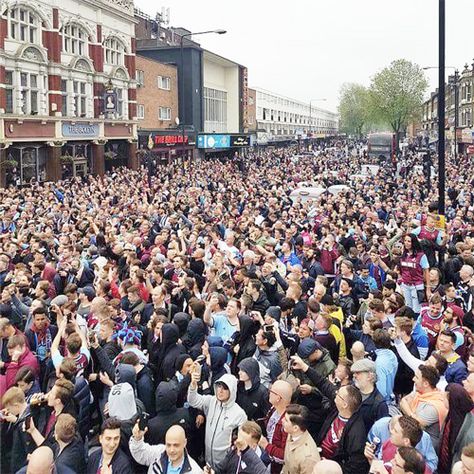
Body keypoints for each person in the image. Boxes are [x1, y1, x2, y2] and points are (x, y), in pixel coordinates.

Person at [290, 354, 369, 474]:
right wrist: (304, 366)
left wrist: (330, 467)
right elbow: (323, 384)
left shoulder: (356, 433)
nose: (335, 394)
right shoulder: (338, 408)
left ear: (345, 405)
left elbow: (356, 466)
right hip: (318, 451)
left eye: (338, 395)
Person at [187, 367, 247, 468]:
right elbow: (193, 400)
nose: (220, 390)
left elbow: (242, 443)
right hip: (207, 461)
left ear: (232, 390)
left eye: (225, 388)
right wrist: (193, 385)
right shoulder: (211, 401)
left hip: (224, 464)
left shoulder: (239, 414)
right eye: (219, 386)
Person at [399, 365, 448, 450]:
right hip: (413, 436)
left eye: (417, 377)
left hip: (426, 445)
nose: (413, 379)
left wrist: (408, 410)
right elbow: (403, 401)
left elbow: (416, 423)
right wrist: (410, 411)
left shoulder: (435, 406)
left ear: (426, 384)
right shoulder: (420, 393)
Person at [130, 422, 202, 474]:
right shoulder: (159, 452)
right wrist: (137, 438)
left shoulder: (195, 471)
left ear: (185, 443)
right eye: (168, 445)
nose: (171, 450)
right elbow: (140, 453)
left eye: (176, 445)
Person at [258, 380, 293, 474]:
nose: (268, 393)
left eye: (271, 391)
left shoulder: (287, 424)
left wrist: (266, 446)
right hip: (267, 452)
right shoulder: (274, 409)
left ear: (278, 398)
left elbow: (284, 456)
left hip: (277, 466)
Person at [350, 358, 389, 432]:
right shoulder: (350, 391)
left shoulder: (380, 404)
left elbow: (382, 430)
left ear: (369, 376)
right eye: (354, 373)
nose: (354, 376)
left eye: (358, 373)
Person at [281, 404, 320, 474]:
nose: (282, 420)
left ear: (295, 428)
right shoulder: (292, 433)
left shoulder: (308, 459)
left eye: (286, 420)